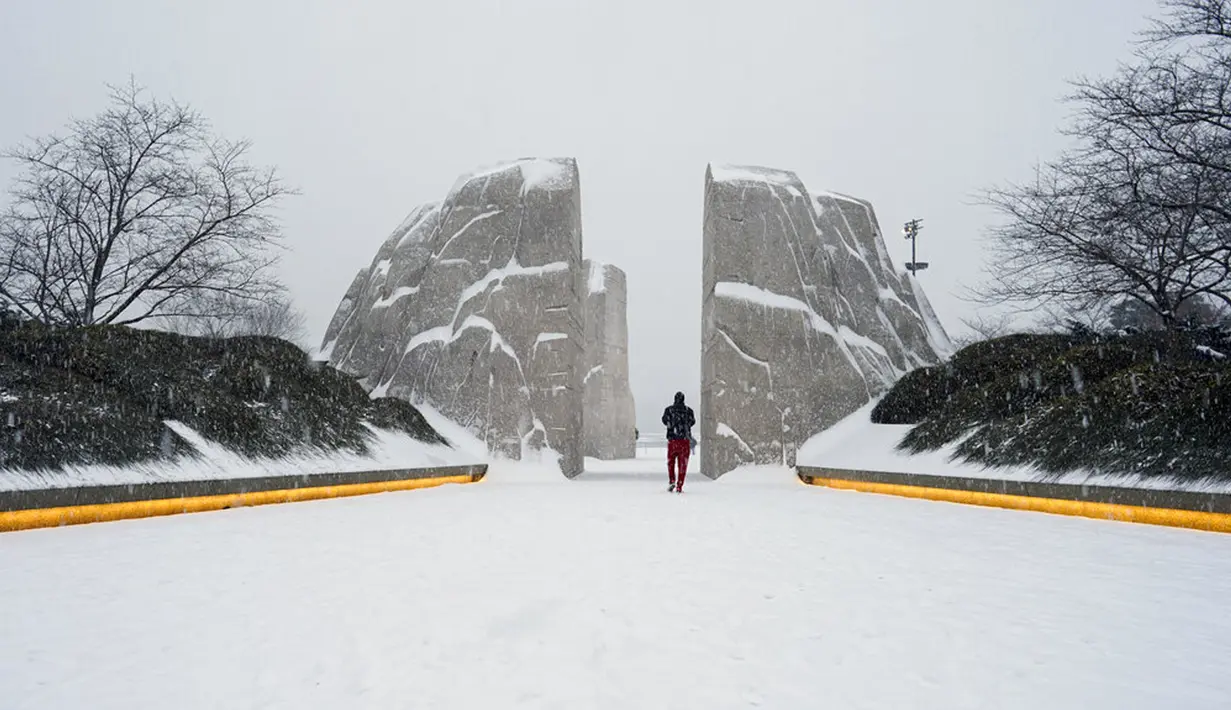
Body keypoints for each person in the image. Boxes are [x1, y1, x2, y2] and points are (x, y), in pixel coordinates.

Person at [661, 391, 695, 493]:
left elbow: (664, 420)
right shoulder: (689, 411)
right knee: (683, 464)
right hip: (684, 441)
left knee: (671, 462)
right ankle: (679, 485)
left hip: (672, 441)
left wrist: (672, 425)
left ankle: (672, 480)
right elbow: (692, 422)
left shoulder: (669, 410)